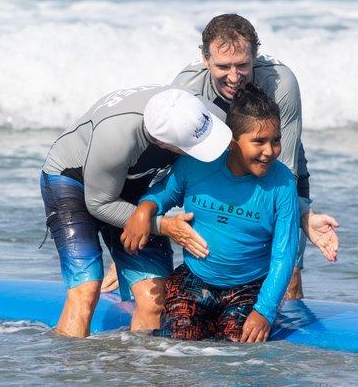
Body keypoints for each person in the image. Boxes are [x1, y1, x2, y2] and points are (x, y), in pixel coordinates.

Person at [40, 85, 232, 337]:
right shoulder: (117, 137)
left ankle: (139, 373)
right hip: (72, 182)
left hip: (132, 184)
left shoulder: (196, 112)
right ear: (162, 142)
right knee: (86, 288)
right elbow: (99, 204)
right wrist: (163, 225)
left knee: (155, 300)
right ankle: (72, 373)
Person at [171, 14, 339, 299]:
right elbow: (168, 165)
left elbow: (282, 166)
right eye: (223, 67)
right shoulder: (186, 90)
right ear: (204, 58)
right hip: (215, 170)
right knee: (218, 253)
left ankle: (284, 338)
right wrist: (145, 228)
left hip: (275, 164)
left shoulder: (280, 82)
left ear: (255, 56)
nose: (234, 77)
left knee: (289, 277)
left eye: (243, 65)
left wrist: (300, 216)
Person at [123, 84, 300, 342]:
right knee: (178, 342)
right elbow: (162, 194)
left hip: (249, 287)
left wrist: (265, 311)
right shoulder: (197, 164)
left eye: (276, 140)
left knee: (238, 347)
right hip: (194, 280)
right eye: (259, 141)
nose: (269, 151)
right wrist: (144, 210)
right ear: (232, 143)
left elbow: (284, 254)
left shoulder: (283, 185)